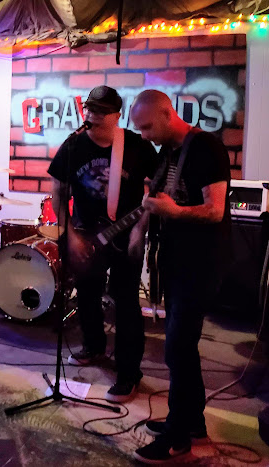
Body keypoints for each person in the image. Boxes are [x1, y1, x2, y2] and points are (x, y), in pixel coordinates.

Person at [129, 90, 232, 464]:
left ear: (167, 114)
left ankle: (176, 440)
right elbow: (158, 199)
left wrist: (174, 212)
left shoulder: (206, 148)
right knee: (182, 349)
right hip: (175, 261)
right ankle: (193, 425)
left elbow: (215, 210)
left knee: (176, 348)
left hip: (201, 263)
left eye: (147, 127)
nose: (144, 135)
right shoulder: (168, 152)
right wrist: (141, 228)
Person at [47, 85, 159, 402]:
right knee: (87, 295)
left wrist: (140, 228)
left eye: (101, 111)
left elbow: (159, 188)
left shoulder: (136, 146)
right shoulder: (73, 146)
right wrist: (69, 235)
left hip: (125, 235)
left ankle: (128, 373)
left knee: (125, 302)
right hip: (85, 234)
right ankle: (93, 347)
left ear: (117, 115)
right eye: (89, 109)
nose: (93, 115)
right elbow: (58, 192)